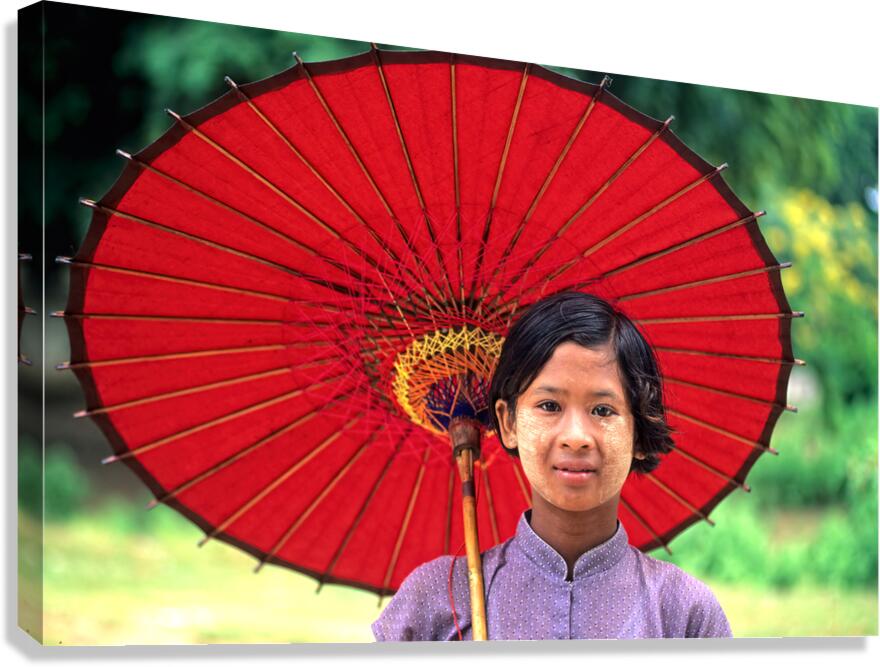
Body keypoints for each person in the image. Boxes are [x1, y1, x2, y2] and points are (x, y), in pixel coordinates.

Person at [372, 291, 732, 640]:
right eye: (549, 406)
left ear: (639, 431)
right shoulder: (437, 603)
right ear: (508, 423)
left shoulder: (683, 616)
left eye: (602, 410)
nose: (575, 437)